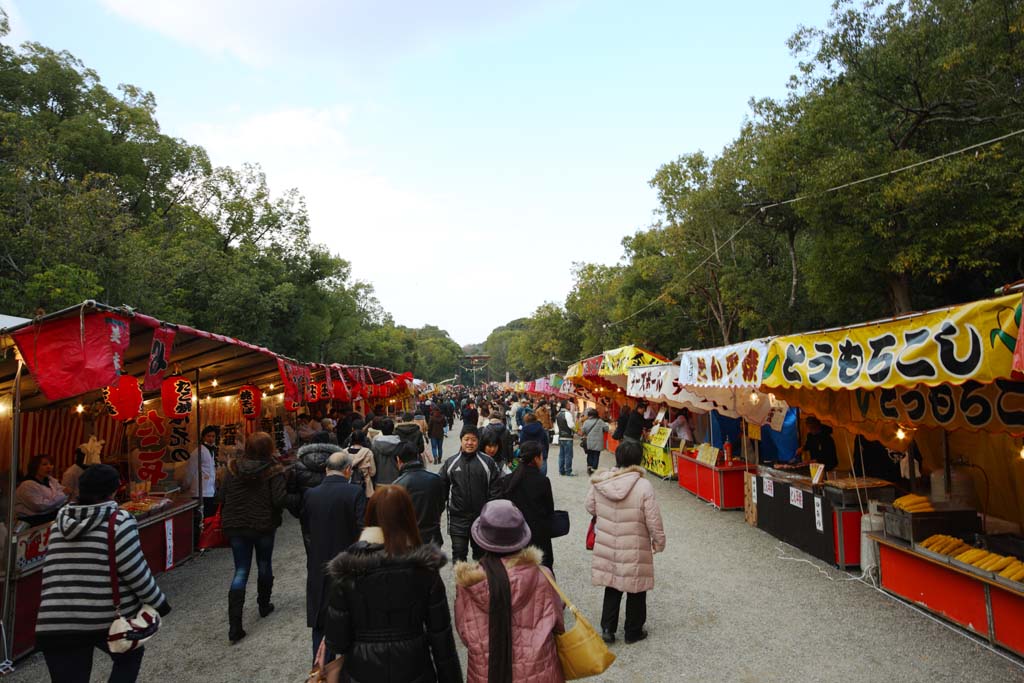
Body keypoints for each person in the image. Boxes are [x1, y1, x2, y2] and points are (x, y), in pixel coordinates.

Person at [35, 464, 170, 683]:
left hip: (55, 620)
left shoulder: (59, 524)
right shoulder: (119, 521)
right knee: (129, 656)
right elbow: (135, 571)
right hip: (104, 616)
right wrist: (159, 603)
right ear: (114, 490)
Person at [322, 486, 462, 683]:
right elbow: (441, 638)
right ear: (409, 517)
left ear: (369, 517)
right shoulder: (424, 569)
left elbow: (337, 641)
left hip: (362, 669)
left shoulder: (347, 570)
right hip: (414, 667)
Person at [454, 500, 565, 683]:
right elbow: (558, 624)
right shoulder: (543, 576)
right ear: (521, 536)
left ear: (482, 539)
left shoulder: (468, 584)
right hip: (538, 670)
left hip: (488, 671)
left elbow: (464, 633)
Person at [586, 441, 666, 645]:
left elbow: (590, 507)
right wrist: (659, 542)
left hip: (608, 542)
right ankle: (633, 631)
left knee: (612, 585)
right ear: (638, 460)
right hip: (634, 544)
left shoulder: (601, 481)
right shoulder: (643, 485)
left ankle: (607, 628)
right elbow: (653, 519)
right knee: (636, 586)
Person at [219, 432, 287, 643]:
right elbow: (279, 500)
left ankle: (235, 625)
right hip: (263, 524)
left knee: (240, 569)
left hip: (236, 524)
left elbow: (221, 496)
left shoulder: (231, 468)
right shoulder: (274, 469)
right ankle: (264, 605)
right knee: (264, 563)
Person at [302, 451, 366, 659]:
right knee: (351, 617)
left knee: (322, 622)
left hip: (318, 562)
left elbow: (306, 529)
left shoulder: (310, 494)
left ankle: (321, 669)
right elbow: (362, 528)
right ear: (348, 470)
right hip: (347, 563)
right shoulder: (355, 492)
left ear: (326, 470)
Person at [440, 425, 500, 562]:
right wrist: (437, 510)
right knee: (459, 555)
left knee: (481, 556)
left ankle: (481, 583)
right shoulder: (451, 463)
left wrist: (490, 514)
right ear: (461, 440)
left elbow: (495, 490)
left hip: (481, 518)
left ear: (478, 441)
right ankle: (461, 583)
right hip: (457, 518)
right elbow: (441, 488)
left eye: (473, 440)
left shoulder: (487, 462)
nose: (469, 443)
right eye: (466, 439)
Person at [497, 441, 555, 569]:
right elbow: (549, 510)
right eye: (541, 456)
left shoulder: (508, 480)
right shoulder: (543, 481)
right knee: (542, 573)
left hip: (515, 534)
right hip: (538, 535)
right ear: (536, 458)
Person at [285, 432, 342, 551]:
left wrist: (300, 510)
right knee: (337, 544)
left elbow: (291, 493)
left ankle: (314, 568)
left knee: (311, 546)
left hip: (308, 510)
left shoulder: (298, 465)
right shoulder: (339, 463)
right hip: (335, 508)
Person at [394, 442, 446, 547]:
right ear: (418, 456)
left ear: (398, 460)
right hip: (433, 537)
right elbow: (441, 505)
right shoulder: (435, 479)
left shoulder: (397, 485)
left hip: (409, 540)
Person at [15, 454, 68, 525]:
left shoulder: (50, 480)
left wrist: (54, 500)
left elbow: (65, 496)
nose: (49, 467)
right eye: (44, 464)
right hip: (32, 522)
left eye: (51, 464)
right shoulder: (27, 485)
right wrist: (61, 496)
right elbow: (40, 506)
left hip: (51, 517)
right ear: (35, 467)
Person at [192, 426, 219, 518]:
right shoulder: (198, 451)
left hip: (210, 491)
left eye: (213, 436)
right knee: (201, 518)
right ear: (203, 437)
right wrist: (185, 485)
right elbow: (191, 470)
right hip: (200, 491)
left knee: (209, 519)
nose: (211, 438)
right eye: (208, 436)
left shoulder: (211, 451)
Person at [343, 430, 377, 496]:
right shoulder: (368, 452)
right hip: (365, 487)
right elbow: (372, 472)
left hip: (347, 485)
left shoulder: (343, 452)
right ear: (363, 439)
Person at [372, 418, 404, 485]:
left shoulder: (375, 443)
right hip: (397, 479)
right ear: (393, 429)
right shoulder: (399, 443)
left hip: (379, 479)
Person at [581, 409, 610, 476]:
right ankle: (594, 469)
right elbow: (606, 429)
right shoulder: (600, 421)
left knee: (589, 454)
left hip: (589, 442)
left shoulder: (586, 422)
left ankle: (589, 467)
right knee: (596, 455)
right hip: (598, 442)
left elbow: (583, 431)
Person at [554, 401, 576, 476]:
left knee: (561, 455)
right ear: (566, 405)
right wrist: (576, 429)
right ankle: (568, 471)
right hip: (568, 437)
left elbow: (556, 428)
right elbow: (571, 425)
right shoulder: (568, 414)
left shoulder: (558, 414)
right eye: (569, 404)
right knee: (568, 455)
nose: (570, 406)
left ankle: (561, 470)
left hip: (561, 437)